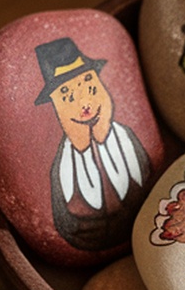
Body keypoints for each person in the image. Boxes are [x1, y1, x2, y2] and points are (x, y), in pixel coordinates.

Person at [34, 36, 151, 252]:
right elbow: (62, 224)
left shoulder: (126, 137)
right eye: (69, 98)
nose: (85, 104)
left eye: (90, 89)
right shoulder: (61, 168)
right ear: (57, 106)